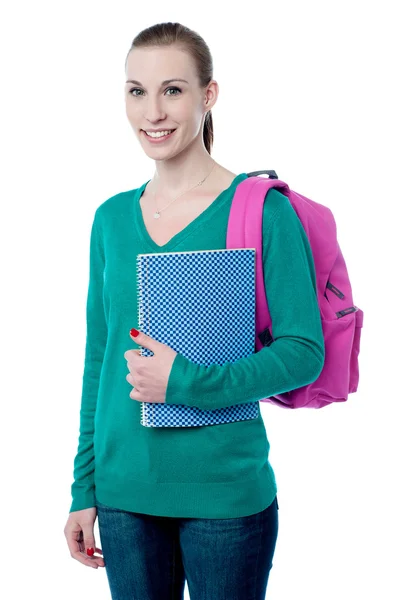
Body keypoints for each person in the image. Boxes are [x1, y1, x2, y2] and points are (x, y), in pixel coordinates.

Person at [64, 21, 325, 600]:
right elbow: (99, 361)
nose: (152, 112)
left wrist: (185, 381)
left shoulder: (261, 212)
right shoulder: (110, 219)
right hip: (124, 497)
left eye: (173, 90)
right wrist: (84, 488)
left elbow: (305, 352)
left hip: (225, 499)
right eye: (137, 91)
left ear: (208, 95)